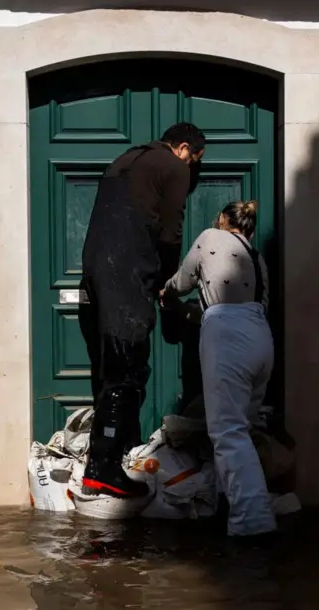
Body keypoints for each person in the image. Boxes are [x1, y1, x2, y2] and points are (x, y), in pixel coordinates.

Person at [78, 123, 207, 499]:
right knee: (127, 371)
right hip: (128, 274)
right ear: (184, 148)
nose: (193, 168)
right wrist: (167, 284)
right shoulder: (174, 166)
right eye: (196, 159)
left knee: (107, 370)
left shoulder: (125, 159)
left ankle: (118, 455)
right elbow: (170, 233)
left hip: (96, 274)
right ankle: (102, 470)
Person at [160, 200, 276, 537]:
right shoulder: (257, 259)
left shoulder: (211, 237)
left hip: (228, 338)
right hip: (260, 338)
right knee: (243, 429)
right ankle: (226, 503)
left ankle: (253, 521)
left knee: (228, 433)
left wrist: (165, 292)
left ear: (225, 219)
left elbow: (182, 282)